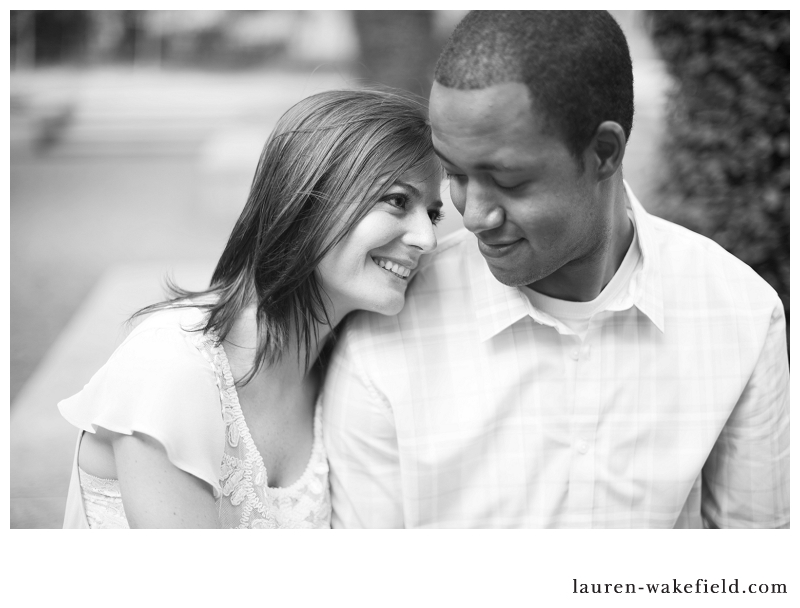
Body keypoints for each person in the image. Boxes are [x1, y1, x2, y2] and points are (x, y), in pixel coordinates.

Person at [323, 11, 789, 528]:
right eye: (454, 173)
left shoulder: (740, 312)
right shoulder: (385, 328)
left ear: (604, 153)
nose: (473, 216)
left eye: (510, 181)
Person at [58, 89, 443, 529]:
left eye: (432, 215)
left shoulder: (344, 369)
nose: (427, 240)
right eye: (397, 201)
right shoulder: (170, 365)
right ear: (310, 196)